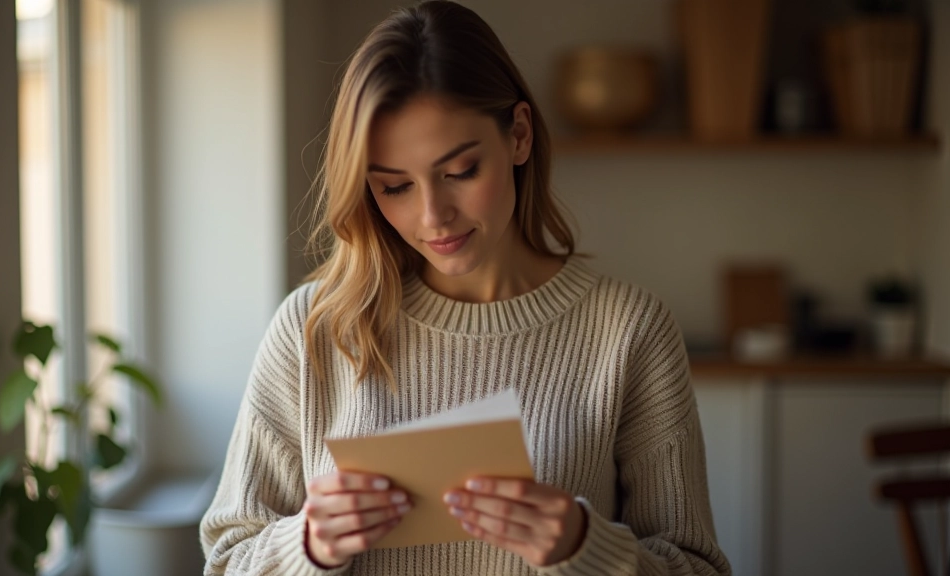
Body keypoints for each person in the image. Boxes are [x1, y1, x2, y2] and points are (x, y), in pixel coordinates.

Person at [199, 1, 731, 574]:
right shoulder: (314, 331)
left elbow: (699, 567)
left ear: (519, 135)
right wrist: (307, 545)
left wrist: (584, 546)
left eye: (459, 173)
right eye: (395, 187)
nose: (434, 217)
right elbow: (226, 561)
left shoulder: (628, 330)